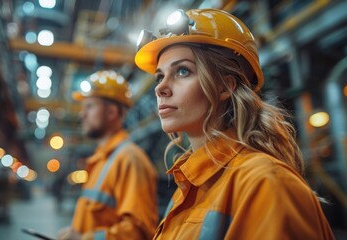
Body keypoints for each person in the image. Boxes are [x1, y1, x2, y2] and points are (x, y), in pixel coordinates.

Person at [134, 8, 334, 239]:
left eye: (182, 71)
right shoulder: (187, 190)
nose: (160, 88)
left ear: (225, 87)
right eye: (160, 76)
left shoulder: (265, 183)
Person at [58, 70, 158, 240]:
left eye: (90, 106)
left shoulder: (129, 159)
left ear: (112, 112)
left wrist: (84, 239)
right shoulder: (101, 160)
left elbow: (139, 232)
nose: (82, 114)